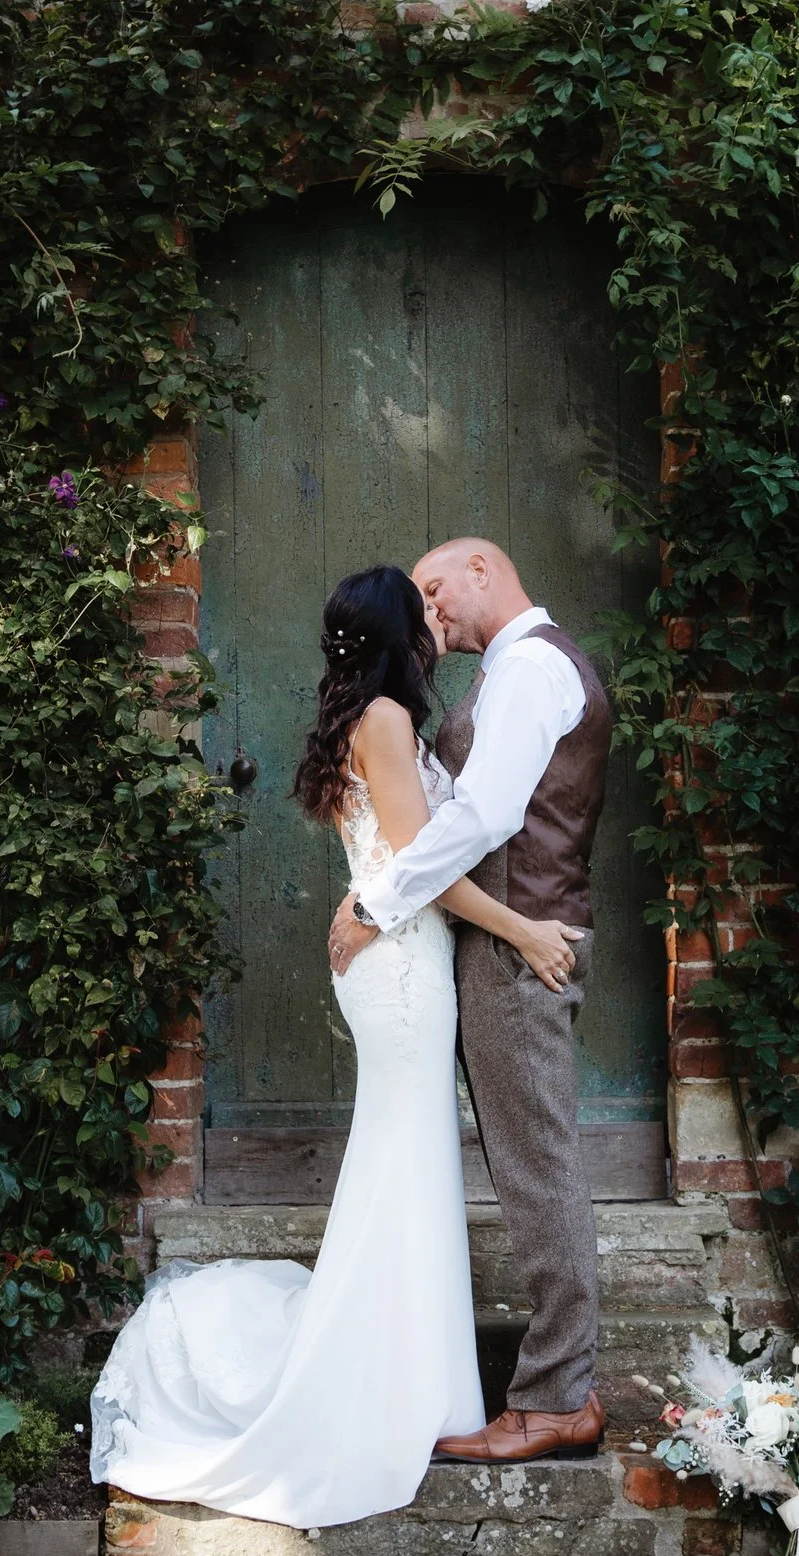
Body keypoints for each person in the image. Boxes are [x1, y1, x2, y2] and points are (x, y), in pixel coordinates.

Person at [87, 563, 582, 1527]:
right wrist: (525, 931)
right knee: (407, 1162)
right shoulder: (389, 725)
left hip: (399, 962)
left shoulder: (380, 720)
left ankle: (422, 1383)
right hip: (400, 973)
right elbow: (428, 871)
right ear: (403, 634)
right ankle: (395, 1388)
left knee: (411, 1164)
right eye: (426, 610)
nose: (439, 620)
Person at [329, 536, 615, 1465]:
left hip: (516, 949)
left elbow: (486, 815)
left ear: (487, 569)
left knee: (537, 1166)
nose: (430, 609)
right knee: (526, 1160)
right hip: (492, 945)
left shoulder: (531, 670)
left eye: (437, 586)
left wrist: (377, 898)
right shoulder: (509, 672)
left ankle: (558, 1397)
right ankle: (544, 1385)